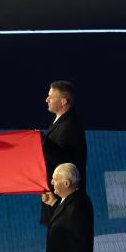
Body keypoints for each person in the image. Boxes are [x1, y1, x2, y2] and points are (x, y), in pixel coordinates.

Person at [38, 81, 88, 226]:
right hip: (54, 194)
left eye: (51, 97)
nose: (46, 100)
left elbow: (68, 159)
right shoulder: (58, 121)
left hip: (64, 194)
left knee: (63, 233)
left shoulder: (72, 124)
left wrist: (44, 142)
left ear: (63, 101)